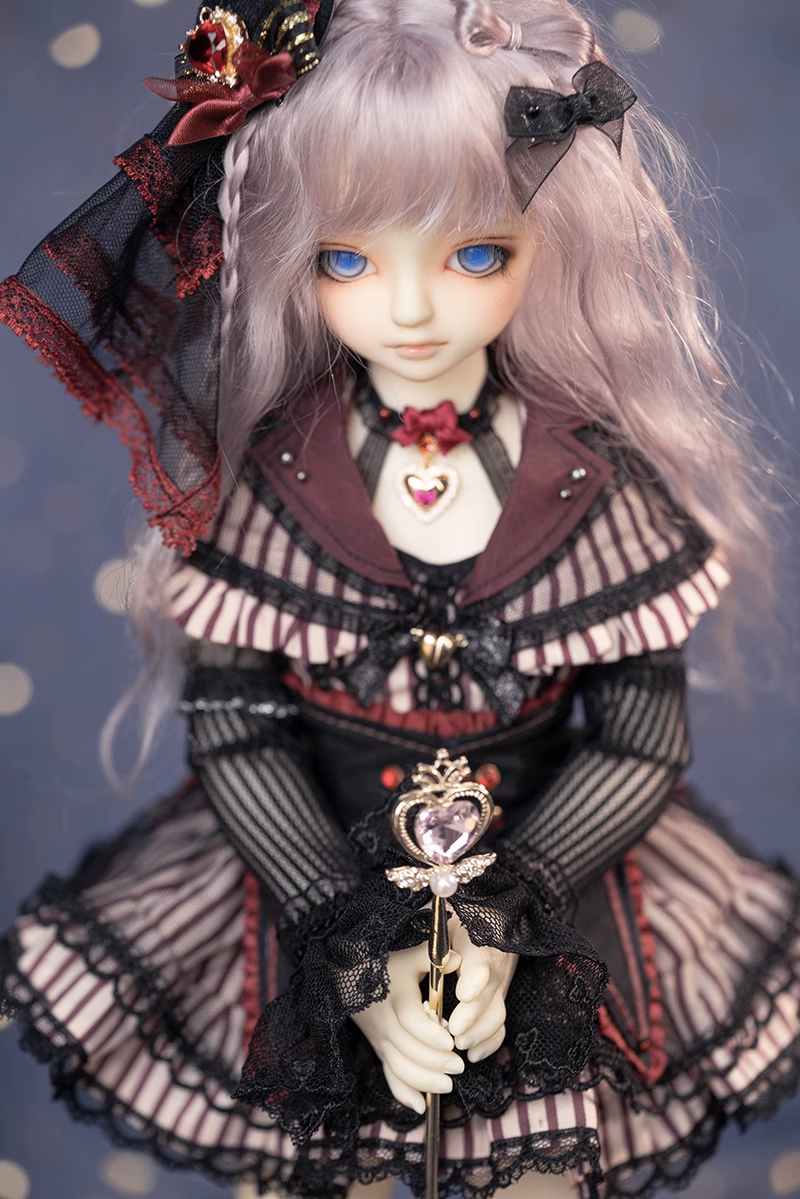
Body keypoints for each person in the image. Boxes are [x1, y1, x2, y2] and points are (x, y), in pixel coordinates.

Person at [1, 1, 798, 1196]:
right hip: (302, 896)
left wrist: (508, 918)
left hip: (548, 903)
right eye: (349, 259)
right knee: (319, 1165)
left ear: (547, 241)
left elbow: (638, 737)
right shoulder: (265, 478)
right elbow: (234, 722)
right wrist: (351, 946)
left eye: (472, 254)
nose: (411, 309)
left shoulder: (596, 481)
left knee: (537, 1168)